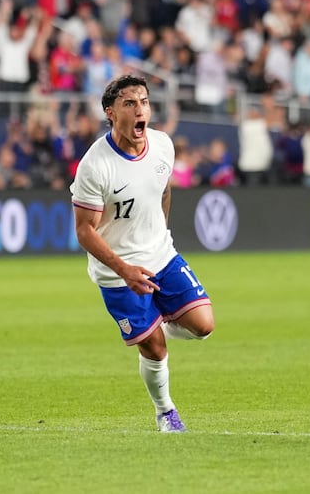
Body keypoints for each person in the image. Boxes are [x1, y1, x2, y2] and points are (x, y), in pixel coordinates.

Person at [70, 75, 215, 433]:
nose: (140, 110)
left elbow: (163, 191)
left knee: (204, 326)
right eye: (130, 103)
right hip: (117, 273)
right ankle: (166, 413)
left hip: (161, 256)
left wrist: (160, 235)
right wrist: (125, 270)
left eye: (145, 102)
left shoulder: (163, 145)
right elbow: (84, 230)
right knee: (154, 348)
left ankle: (159, 316)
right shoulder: (95, 165)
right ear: (111, 112)